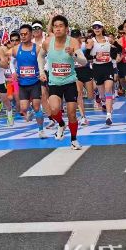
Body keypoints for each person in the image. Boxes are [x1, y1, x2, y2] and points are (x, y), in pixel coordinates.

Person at [37, 15, 88, 150]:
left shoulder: (73, 42)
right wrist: (42, 72)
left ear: (66, 28)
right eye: (55, 26)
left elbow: (84, 61)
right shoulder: (48, 42)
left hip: (70, 82)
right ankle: (60, 124)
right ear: (53, 29)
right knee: (54, 110)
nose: (58, 29)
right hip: (54, 83)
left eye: (61, 26)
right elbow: (40, 57)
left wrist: (73, 55)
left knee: (72, 113)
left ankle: (74, 140)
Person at [9, 24, 46, 138]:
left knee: (37, 107)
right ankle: (29, 111)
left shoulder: (37, 48)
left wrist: (41, 72)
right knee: (23, 108)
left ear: (31, 34)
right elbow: (11, 62)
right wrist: (13, 72)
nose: (23, 36)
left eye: (26, 34)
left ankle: (41, 130)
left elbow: (43, 61)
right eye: (21, 34)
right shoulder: (16, 49)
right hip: (22, 83)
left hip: (35, 82)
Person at [86, 21, 119, 126]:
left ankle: (109, 116)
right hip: (97, 68)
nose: (97, 29)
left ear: (102, 28)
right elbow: (87, 57)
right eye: (94, 27)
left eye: (99, 27)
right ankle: (103, 101)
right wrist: (95, 56)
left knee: (108, 89)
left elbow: (119, 49)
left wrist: (115, 51)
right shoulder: (91, 41)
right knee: (102, 94)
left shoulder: (108, 39)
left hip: (108, 66)